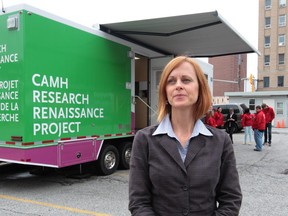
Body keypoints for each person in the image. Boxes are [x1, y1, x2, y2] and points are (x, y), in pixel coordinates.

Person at [129, 56, 242, 216]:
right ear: (165, 91)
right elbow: (138, 202)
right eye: (171, 81)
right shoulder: (145, 139)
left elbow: (231, 199)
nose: (178, 86)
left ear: (200, 88)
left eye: (186, 80)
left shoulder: (220, 141)